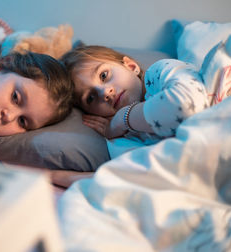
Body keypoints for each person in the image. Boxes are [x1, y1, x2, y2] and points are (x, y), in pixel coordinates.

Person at [50, 45, 214, 188]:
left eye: (104, 75)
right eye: (90, 98)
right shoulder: (122, 139)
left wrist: (123, 118)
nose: (105, 92)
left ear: (131, 65)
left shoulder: (160, 74)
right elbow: (123, 178)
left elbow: (185, 106)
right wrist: (50, 176)